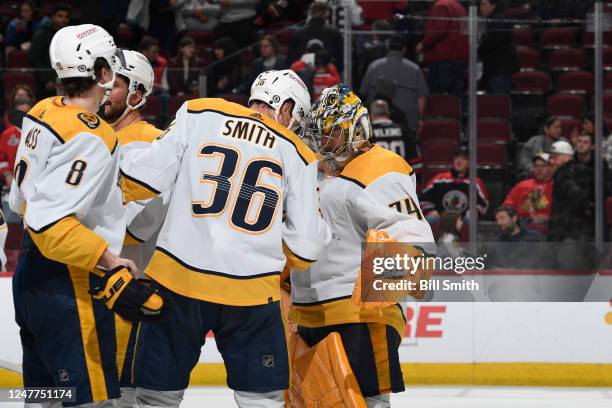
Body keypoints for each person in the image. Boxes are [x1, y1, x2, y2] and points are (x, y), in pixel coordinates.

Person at [119, 69, 331, 407]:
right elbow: (308, 248)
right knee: (261, 400)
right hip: (251, 291)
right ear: (287, 109)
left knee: (155, 397)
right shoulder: (297, 152)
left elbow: (140, 178)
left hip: (177, 279)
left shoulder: (199, 111)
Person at [10, 24, 163, 407]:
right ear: (102, 71)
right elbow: (52, 222)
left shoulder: (44, 109)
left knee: (44, 396)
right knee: (91, 400)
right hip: (71, 282)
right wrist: (110, 261)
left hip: (30, 279)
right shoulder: (95, 134)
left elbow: (24, 205)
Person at [290, 84, 435, 407]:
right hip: (311, 311)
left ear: (357, 127)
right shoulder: (316, 173)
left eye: (333, 133)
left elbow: (407, 231)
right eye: (320, 134)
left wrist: (398, 280)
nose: (324, 142)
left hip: (359, 313)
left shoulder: (380, 165)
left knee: (367, 401)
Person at [100, 48, 163, 408]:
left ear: (137, 95)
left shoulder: (151, 142)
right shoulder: (99, 137)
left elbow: (140, 224)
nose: (106, 89)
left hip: (130, 291)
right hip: (103, 287)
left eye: (117, 84)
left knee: (120, 397)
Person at [360, 34, 428, 137]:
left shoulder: (374, 66)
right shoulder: (415, 69)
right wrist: (419, 119)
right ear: (404, 49)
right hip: (408, 122)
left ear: (388, 47)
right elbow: (421, 97)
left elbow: (363, 92)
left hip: (377, 125)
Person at [420, 146, 489, 222]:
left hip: (463, 221)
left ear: (470, 162)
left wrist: (474, 212)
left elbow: (483, 204)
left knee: (471, 219)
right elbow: (423, 200)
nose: (459, 161)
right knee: (430, 218)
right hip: (440, 220)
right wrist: (430, 210)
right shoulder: (439, 179)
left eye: (463, 159)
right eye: (457, 158)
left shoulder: (475, 182)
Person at [416, 0, 468, 96]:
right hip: (460, 59)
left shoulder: (441, 6)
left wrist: (423, 44)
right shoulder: (459, 7)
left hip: (443, 59)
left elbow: (440, 29)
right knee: (455, 100)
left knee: (438, 98)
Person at [548, 140, 595, 242]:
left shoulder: (563, 173)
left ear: (566, 157)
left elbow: (576, 194)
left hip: (566, 234)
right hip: (586, 231)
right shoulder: (585, 169)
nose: (551, 161)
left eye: (555, 157)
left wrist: (586, 204)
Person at [369, 99, 423, 181]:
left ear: (371, 115)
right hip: (401, 180)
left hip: (376, 180)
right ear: (388, 113)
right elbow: (416, 162)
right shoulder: (404, 131)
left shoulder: (368, 133)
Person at [287, 1, 343, 72]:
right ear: (326, 13)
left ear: (310, 13)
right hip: (327, 75)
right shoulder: (334, 32)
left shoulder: (298, 33)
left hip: (302, 75)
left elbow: (291, 60)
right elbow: (339, 59)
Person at [28, 3, 70, 98]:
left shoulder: (70, 34)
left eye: (66, 17)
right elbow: (35, 59)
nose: (64, 19)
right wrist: (46, 80)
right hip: (47, 83)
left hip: (66, 81)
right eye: (60, 16)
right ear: (53, 17)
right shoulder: (42, 34)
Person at [478, 0, 519, 94]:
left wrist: (479, 41)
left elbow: (493, 41)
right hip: (494, 68)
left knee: (498, 100)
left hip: (499, 68)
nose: (481, 7)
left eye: (484, 4)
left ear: (493, 6)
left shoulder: (498, 19)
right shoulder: (490, 19)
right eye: (480, 4)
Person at [503, 152, 553, 228]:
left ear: (551, 167)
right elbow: (507, 207)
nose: (539, 169)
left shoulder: (556, 186)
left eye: (543, 166)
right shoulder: (522, 185)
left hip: (548, 226)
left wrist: (548, 218)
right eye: (536, 166)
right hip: (522, 225)